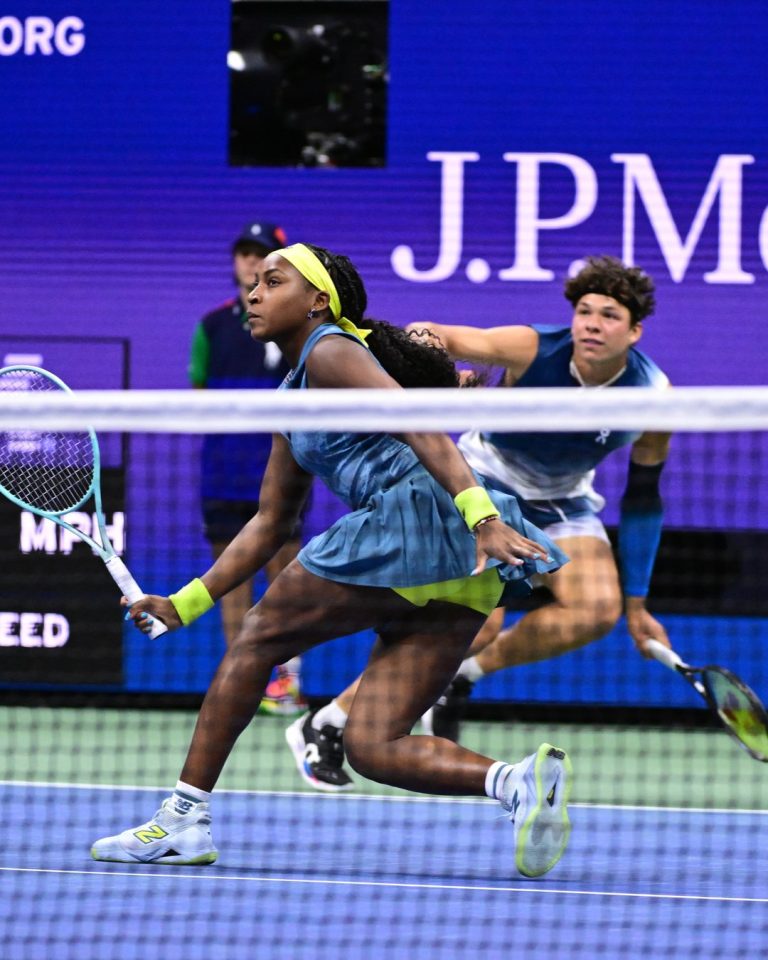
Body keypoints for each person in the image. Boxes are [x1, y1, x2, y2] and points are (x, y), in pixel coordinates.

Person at [92, 241, 573, 879]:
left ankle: (184, 817)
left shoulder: (330, 348)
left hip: (419, 519)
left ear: (318, 300)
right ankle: (515, 783)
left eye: (274, 281)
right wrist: (184, 604)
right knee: (373, 745)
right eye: (254, 283)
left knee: (257, 638)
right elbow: (272, 521)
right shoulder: (293, 397)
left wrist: (482, 518)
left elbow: (417, 425)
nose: (254, 292)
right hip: (459, 557)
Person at [286, 254, 671, 787]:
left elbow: (644, 496)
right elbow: (439, 333)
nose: (592, 324)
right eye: (585, 311)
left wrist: (638, 604)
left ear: (634, 332)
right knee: (476, 618)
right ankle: (328, 720)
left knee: (596, 609)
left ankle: (463, 674)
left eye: (609, 316)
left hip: (563, 500)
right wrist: (433, 357)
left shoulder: (653, 398)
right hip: (487, 481)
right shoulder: (534, 347)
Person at [189, 220, 306, 716]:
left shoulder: (297, 326)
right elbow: (199, 391)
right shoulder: (212, 327)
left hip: (282, 473)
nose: (251, 262)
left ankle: (286, 682)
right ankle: (242, 682)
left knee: (287, 581)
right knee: (229, 581)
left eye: (262, 254)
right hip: (224, 472)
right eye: (244, 253)